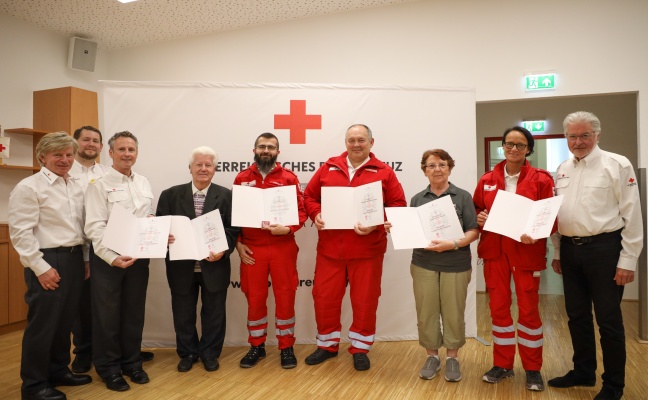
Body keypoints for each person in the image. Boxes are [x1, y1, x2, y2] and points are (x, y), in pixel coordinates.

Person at [548, 111, 642, 400]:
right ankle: (583, 372)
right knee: (576, 316)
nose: (578, 141)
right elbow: (557, 213)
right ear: (566, 138)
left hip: (605, 250)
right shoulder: (562, 168)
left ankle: (613, 385)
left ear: (597, 136)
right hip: (569, 249)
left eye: (584, 135)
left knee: (609, 320)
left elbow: (633, 215)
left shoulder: (616, 164)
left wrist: (628, 260)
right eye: (572, 136)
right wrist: (557, 252)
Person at [303, 124, 406, 371]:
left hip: (367, 251)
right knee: (325, 299)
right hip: (329, 251)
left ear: (372, 142)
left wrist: (375, 224)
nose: (356, 144)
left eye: (361, 140)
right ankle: (327, 346)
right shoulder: (328, 168)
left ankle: (360, 348)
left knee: (365, 301)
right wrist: (316, 214)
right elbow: (308, 197)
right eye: (351, 140)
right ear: (345, 142)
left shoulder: (384, 172)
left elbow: (398, 205)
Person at [9, 132, 92, 400]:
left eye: (69, 154)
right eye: (58, 155)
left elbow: (82, 227)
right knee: (43, 325)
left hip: (74, 258)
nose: (65, 160)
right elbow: (21, 233)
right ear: (43, 156)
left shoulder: (77, 185)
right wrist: (40, 267)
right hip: (47, 259)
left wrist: (86, 260)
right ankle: (33, 385)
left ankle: (58, 370)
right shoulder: (29, 187)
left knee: (64, 322)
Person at [473, 126, 555, 391]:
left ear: (528, 149)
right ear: (503, 147)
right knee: (498, 309)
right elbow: (476, 209)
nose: (514, 149)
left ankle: (532, 369)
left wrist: (537, 232)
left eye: (520, 145)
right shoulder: (487, 178)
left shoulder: (541, 179)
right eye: (509, 144)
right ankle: (503, 364)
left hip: (526, 251)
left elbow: (551, 218)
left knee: (529, 311)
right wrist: (480, 217)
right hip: (495, 253)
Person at [68, 126, 154, 374]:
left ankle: (132, 363)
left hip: (138, 259)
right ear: (111, 152)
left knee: (134, 314)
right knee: (107, 318)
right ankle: (108, 368)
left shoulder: (143, 182)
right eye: (122, 149)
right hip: (109, 261)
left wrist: (155, 229)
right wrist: (112, 258)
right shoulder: (99, 184)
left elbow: (145, 217)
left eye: (131, 149)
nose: (127, 154)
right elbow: (94, 226)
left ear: (137, 153)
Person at [156, 146, 239, 373]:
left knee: (214, 314)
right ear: (190, 168)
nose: (203, 169)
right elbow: (160, 228)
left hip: (215, 265)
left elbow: (233, 229)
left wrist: (224, 249)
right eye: (198, 165)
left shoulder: (226, 195)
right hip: (181, 267)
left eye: (208, 165)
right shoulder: (170, 195)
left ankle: (210, 354)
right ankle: (188, 353)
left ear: (215, 169)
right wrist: (164, 237)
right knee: (183, 314)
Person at [403, 149, 478, 382]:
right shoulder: (417, 199)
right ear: (424, 170)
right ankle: (432, 356)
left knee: (453, 313)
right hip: (424, 263)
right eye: (431, 166)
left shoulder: (463, 196)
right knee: (426, 312)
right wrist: (397, 228)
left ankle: (453, 358)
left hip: (455, 263)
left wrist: (453, 244)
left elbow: (473, 231)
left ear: (450, 168)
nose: (437, 169)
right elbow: (412, 231)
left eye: (442, 165)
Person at [233, 132, 307, 369]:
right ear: (254, 150)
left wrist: (288, 229)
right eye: (262, 146)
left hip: (281, 246)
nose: (266, 150)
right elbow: (232, 215)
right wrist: (237, 243)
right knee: (255, 298)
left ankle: (286, 347)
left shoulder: (288, 178)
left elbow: (302, 211)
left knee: (286, 296)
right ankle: (257, 346)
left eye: (271, 147)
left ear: (278, 152)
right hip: (252, 248)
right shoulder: (242, 178)